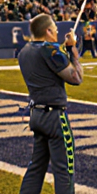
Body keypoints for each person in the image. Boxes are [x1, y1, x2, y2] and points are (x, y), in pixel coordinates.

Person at [18, 14, 83, 194]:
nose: (56, 31)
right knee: (64, 170)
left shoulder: (24, 51)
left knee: (36, 168)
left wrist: (64, 49)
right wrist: (72, 51)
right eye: (54, 28)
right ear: (47, 31)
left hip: (36, 114)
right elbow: (76, 78)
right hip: (54, 117)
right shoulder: (50, 51)